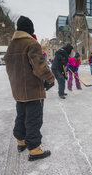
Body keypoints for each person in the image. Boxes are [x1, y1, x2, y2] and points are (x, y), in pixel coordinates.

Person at [5, 15, 55, 161]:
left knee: (21, 115)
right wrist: (50, 78)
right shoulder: (31, 44)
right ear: (30, 30)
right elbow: (39, 67)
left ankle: (21, 141)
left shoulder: (11, 45)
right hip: (32, 89)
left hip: (18, 89)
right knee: (33, 119)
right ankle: (34, 149)